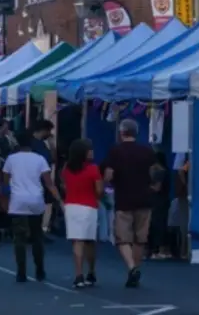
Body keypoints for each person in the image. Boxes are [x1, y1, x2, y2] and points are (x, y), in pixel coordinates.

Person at [3, 130, 63, 283]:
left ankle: (21, 272)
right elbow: (49, 183)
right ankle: (40, 270)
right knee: (37, 236)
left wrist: (5, 201)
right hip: (36, 199)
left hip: (18, 201)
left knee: (19, 238)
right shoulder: (40, 159)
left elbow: (5, 182)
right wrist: (60, 200)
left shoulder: (11, 159)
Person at [101, 119, 155, 288]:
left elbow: (109, 175)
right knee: (140, 238)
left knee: (122, 238)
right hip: (144, 198)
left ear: (121, 132)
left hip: (124, 198)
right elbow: (156, 171)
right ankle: (136, 268)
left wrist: (104, 187)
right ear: (136, 133)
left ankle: (131, 267)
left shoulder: (115, 151)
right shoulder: (147, 151)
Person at [61, 138, 102, 288]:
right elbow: (99, 191)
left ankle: (78, 274)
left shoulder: (66, 169)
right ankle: (91, 271)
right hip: (88, 206)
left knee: (77, 241)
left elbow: (64, 186)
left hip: (71, 206)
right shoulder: (93, 169)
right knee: (90, 241)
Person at [31, 120, 57, 237]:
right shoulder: (40, 145)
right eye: (49, 131)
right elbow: (51, 159)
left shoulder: (34, 143)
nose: (50, 133)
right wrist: (52, 145)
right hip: (39, 180)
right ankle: (36, 233)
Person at [147, 152, 172, 260]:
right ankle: (160, 249)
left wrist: (147, 186)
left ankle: (157, 250)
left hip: (157, 202)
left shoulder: (160, 172)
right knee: (160, 225)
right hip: (163, 201)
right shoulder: (166, 171)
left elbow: (157, 188)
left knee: (157, 225)